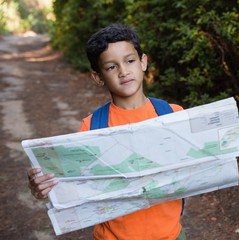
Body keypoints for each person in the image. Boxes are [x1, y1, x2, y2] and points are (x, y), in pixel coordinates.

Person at [27, 23, 186, 240]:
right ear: (98, 77)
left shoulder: (173, 115)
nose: (123, 71)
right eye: (111, 67)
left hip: (171, 236)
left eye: (130, 61)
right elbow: (73, 186)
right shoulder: (91, 128)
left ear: (143, 62)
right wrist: (43, 188)